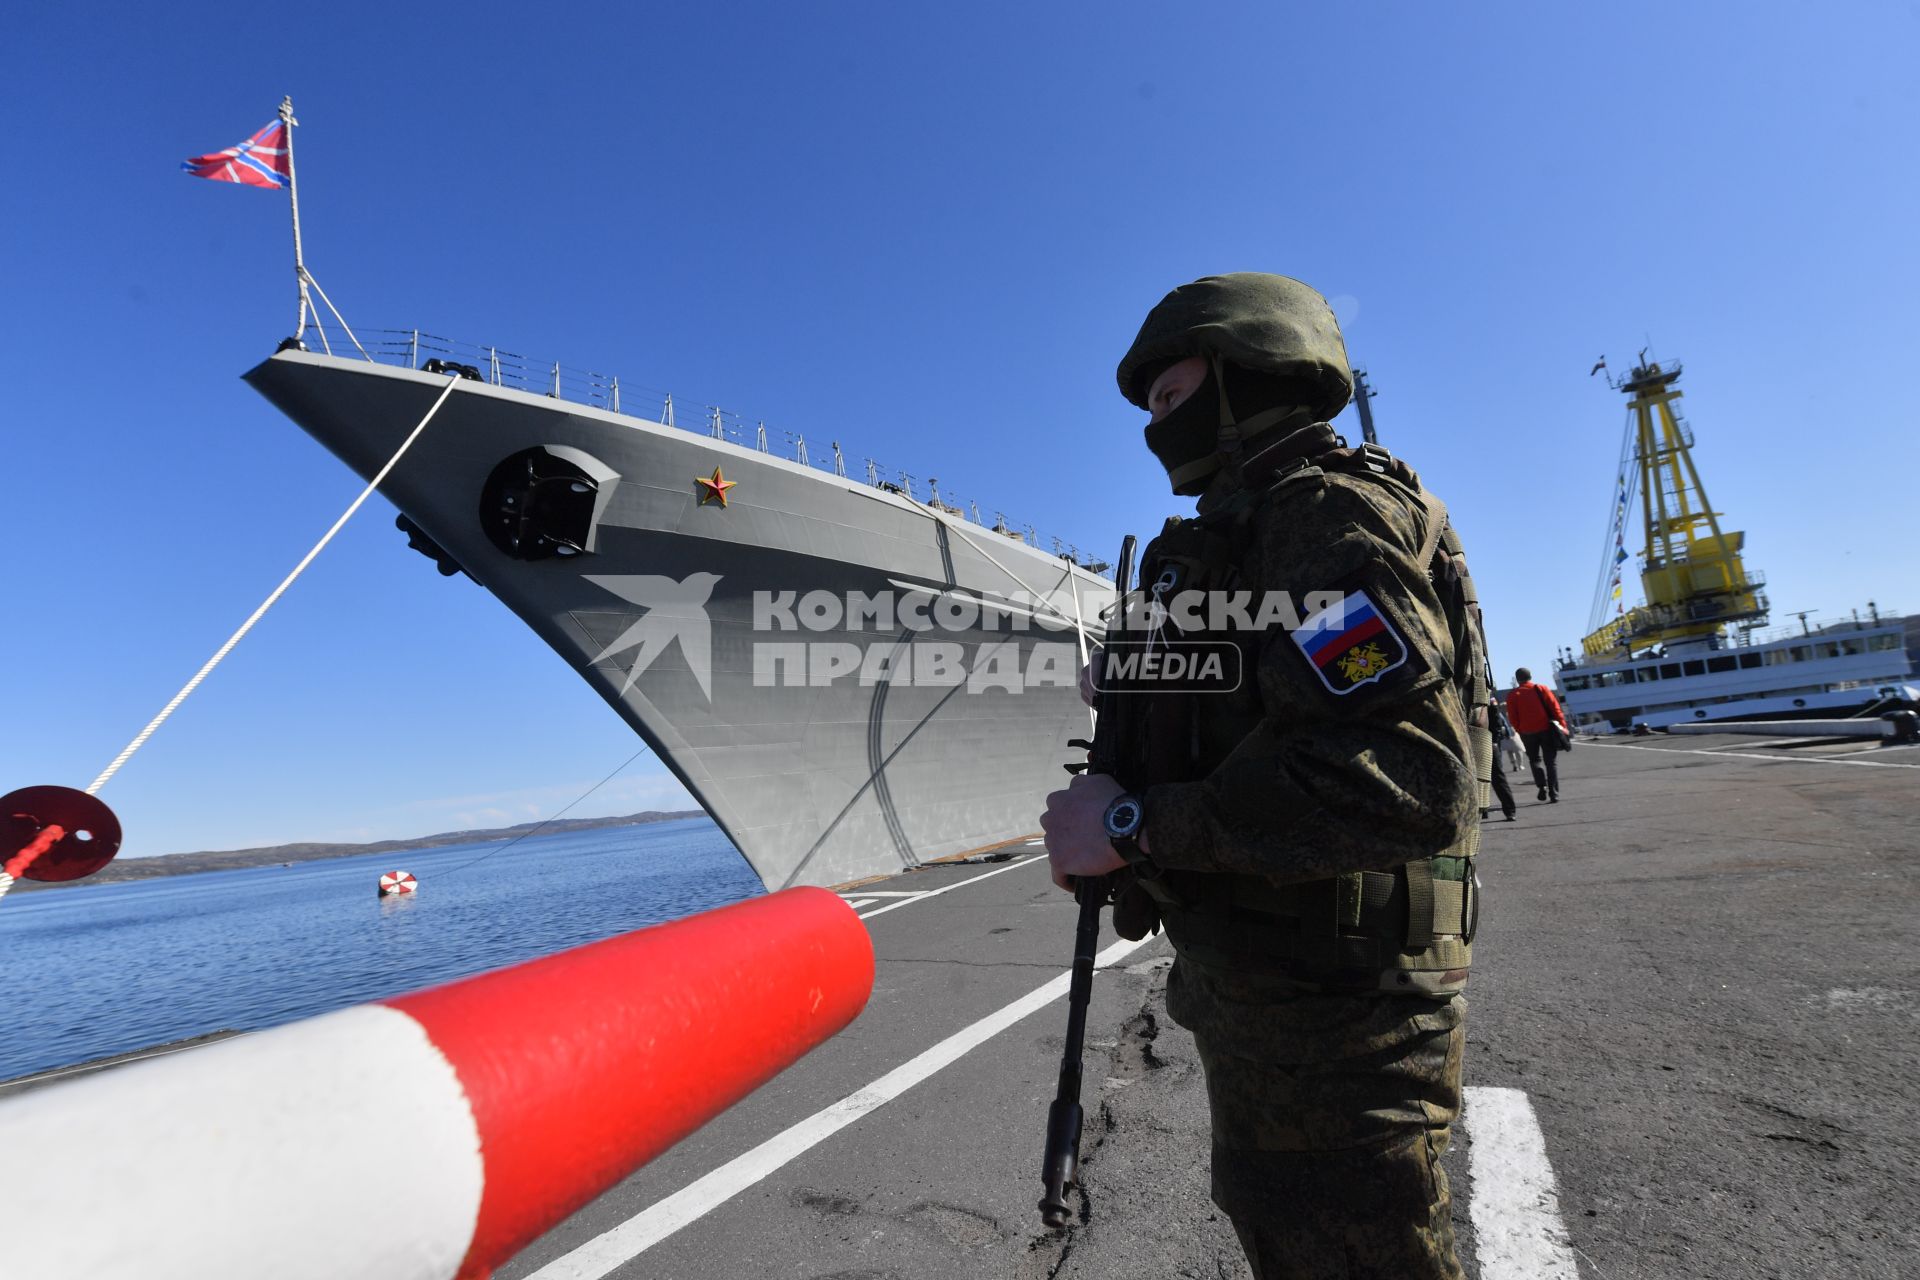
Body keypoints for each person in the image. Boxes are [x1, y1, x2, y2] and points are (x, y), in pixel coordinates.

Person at [1040, 274, 1485, 1280]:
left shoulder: (1322, 520)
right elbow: (1278, 695)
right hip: (1287, 1004)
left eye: (1170, 394)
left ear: (1248, 375)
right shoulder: (1262, 526)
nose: (1157, 424)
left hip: (1340, 1022)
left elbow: (1404, 780)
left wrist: (1127, 817)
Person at [1505, 667, 1567, 802]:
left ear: (1517, 679)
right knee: (1551, 762)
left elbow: (1513, 717)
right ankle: (1553, 792)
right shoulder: (1541, 689)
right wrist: (1563, 726)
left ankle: (1541, 786)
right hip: (1546, 730)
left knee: (1534, 761)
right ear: (1530, 676)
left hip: (1527, 733)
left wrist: (1519, 729)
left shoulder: (1513, 695)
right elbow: (1555, 708)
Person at [1484, 692, 1518, 820]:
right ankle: (1509, 810)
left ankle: (1508, 810)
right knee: (1497, 777)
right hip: (1486, 739)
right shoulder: (1484, 691)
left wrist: (1494, 739)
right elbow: (1495, 715)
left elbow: (1495, 715)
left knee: (1492, 777)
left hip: (1482, 739)